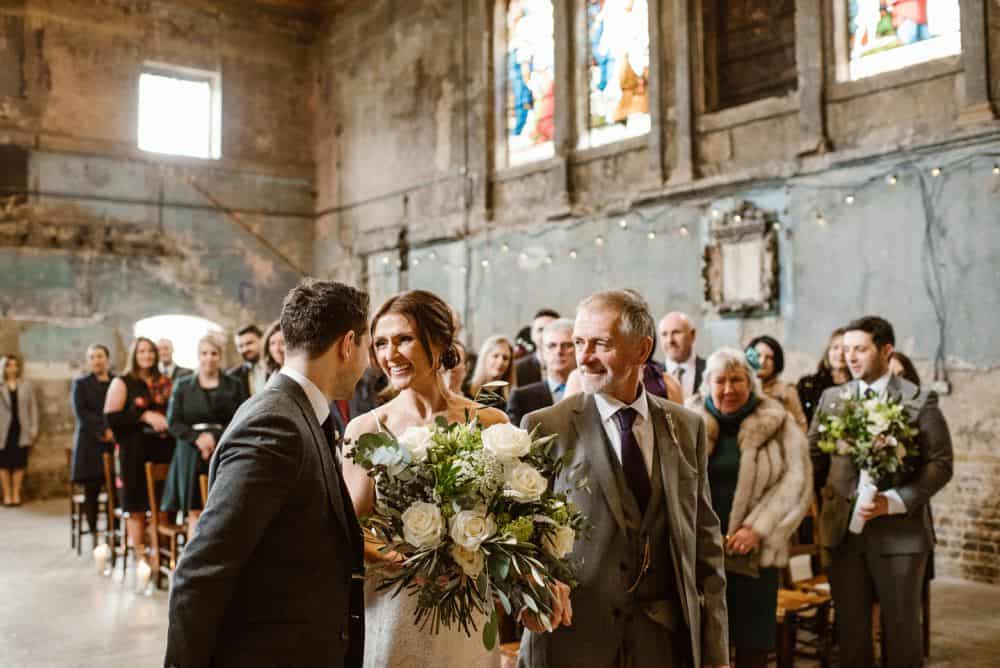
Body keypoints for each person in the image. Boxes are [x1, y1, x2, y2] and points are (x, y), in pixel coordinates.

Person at [518, 290, 729, 668]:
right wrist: (531, 593)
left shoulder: (686, 427)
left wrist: (715, 652)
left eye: (600, 343)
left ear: (642, 350)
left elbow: (705, 545)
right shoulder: (545, 427)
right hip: (575, 642)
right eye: (580, 343)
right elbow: (519, 540)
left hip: (663, 644)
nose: (584, 358)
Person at [166, 279, 371, 668]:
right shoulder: (275, 423)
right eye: (368, 344)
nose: (368, 361)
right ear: (348, 344)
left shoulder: (302, 412)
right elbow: (202, 569)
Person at [342, 289, 513, 668]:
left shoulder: (489, 422)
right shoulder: (367, 429)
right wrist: (406, 561)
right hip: (397, 603)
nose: (391, 354)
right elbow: (351, 527)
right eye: (382, 343)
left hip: (468, 602)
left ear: (439, 342)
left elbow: (515, 517)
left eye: (404, 339)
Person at [809, 316, 953, 668]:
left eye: (860, 349)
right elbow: (811, 458)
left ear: (886, 350)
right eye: (846, 350)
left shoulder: (918, 399)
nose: (850, 357)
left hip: (900, 536)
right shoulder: (832, 398)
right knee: (851, 632)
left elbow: (941, 462)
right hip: (843, 534)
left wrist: (895, 500)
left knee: (901, 633)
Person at [687, 348, 812, 668]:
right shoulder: (688, 420)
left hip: (753, 556)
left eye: (736, 380)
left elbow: (796, 483)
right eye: (720, 381)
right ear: (707, 384)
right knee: (701, 643)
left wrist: (757, 528)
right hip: (700, 552)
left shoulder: (778, 421)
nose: (728, 389)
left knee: (752, 645)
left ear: (750, 382)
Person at [103, 337, 173, 591]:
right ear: (134, 354)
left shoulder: (163, 381)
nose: (147, 355)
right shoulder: (122, 382)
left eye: (151, 351)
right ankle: (141, 559)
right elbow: (112, 418)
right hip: (133, 452)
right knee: (136, 507)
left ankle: (160, 557)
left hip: (163, 451)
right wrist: (144, 415)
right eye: (142, 351)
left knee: (161, 506)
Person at [161, 335, 246, 536]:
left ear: (221, 356)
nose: (209, 358)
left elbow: (242, 418)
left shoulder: (234, 384)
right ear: (198, 356)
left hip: (225, 449)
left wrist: (215, 439)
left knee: (224, 508)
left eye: (214, 353)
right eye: (204, 353)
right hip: (190, 451)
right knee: (195, 511)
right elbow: (173, 422)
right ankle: (195, 561)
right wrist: (197, 439)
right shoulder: (182, 385)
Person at [69, 344, 115, 543]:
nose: (97, 360)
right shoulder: (81, 383)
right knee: (92, 490)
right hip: (90, 443)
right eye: (93, 357)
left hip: (114, 442)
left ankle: (116, 532)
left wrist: (113, 430)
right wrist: (102, 430)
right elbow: (82, 412)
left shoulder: (116, 381)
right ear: (89, 361)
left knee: (116, 490)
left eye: (100, 356)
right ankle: (94, 532)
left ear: (107, 358)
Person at [507, 318, 576, 426]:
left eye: (567, 345)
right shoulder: (521, 398)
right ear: (542, 352)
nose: (559, 351)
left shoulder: (593, 394)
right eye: (552, 346)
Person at [747, 335, 808, 434]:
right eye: (758, 356)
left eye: (769, 357)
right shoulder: (743, 388)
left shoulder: (786, 390)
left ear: (776, 361)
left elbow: (801, 425)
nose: (762, 361)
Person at [0, 354, 39, 507]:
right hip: (3, 430)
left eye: (15, 365)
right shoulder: (1, 385)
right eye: (9, 365)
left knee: (19, 462)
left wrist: (33, 428)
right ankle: (7, 494)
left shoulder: (26, 385)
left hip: (21, 428)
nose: (12, 368)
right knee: (3, 463)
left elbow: (33, 407)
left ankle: (16, 493)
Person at [796, 327, 850, 425]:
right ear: (828, 351)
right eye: (835, 347)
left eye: (846, 349)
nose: (840, 353)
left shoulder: (860, 386)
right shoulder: (808, 385)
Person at [659, 311, 706, 399]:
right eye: (664, 334)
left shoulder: (709, 370)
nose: (670, 340)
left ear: (692, 335)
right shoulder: (651, 376)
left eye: (676, 332)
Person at [469, 335, 517, 408]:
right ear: (484, 358)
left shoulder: (512, 397)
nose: (500, 362)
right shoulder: (465, 388)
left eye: (505, 358)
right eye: (495, 356)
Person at [515, 309, 560, 386]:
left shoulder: (575, 367)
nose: (545, 335)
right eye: (540, 330)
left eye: (551, 329)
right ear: (532, 335)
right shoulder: (516, 370)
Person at [226, 324, 265, 397]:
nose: (245, 349)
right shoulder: (232, 376)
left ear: (262, 340)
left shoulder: (277, 368)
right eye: (240, 346)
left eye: (249, 343)